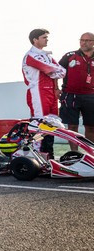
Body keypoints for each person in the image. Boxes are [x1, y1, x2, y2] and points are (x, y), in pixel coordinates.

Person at [21, 28, 66, 158]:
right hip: (38, 92)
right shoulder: (30, 55)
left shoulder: (48, 55)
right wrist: (53, 71)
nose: (47, 39)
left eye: (47, 37)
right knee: (39, 123)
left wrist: (53, 71)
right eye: (44, 37)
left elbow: (62, 71)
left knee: (53, 123)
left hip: (51, 92)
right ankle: (36, 156)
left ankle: (48, 155)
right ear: (35, 40)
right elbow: (50, 69)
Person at [59, 32, 94, 150]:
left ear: (93, 42)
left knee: (91, 127)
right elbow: (56, 72)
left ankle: (90, 155)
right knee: (72, 126)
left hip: (91, 96)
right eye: (82, 40)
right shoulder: (69, 56)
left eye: (87, 40)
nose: (84, 42)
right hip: (70, 95)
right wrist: (55, 89)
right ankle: (74, 154)